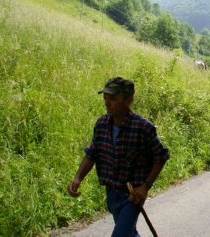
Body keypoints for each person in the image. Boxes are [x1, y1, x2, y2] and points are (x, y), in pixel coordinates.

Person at [67, 77, 170, 237]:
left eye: (113, 98)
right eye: (105, 98)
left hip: (132, 196)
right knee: (129, 233)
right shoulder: (101, 124)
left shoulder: (142, 127)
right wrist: (77, 178)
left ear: (128, 100)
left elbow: (161, 156)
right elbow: (92, 154)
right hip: (111, 194)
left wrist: (145, 186)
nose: (107, 103)